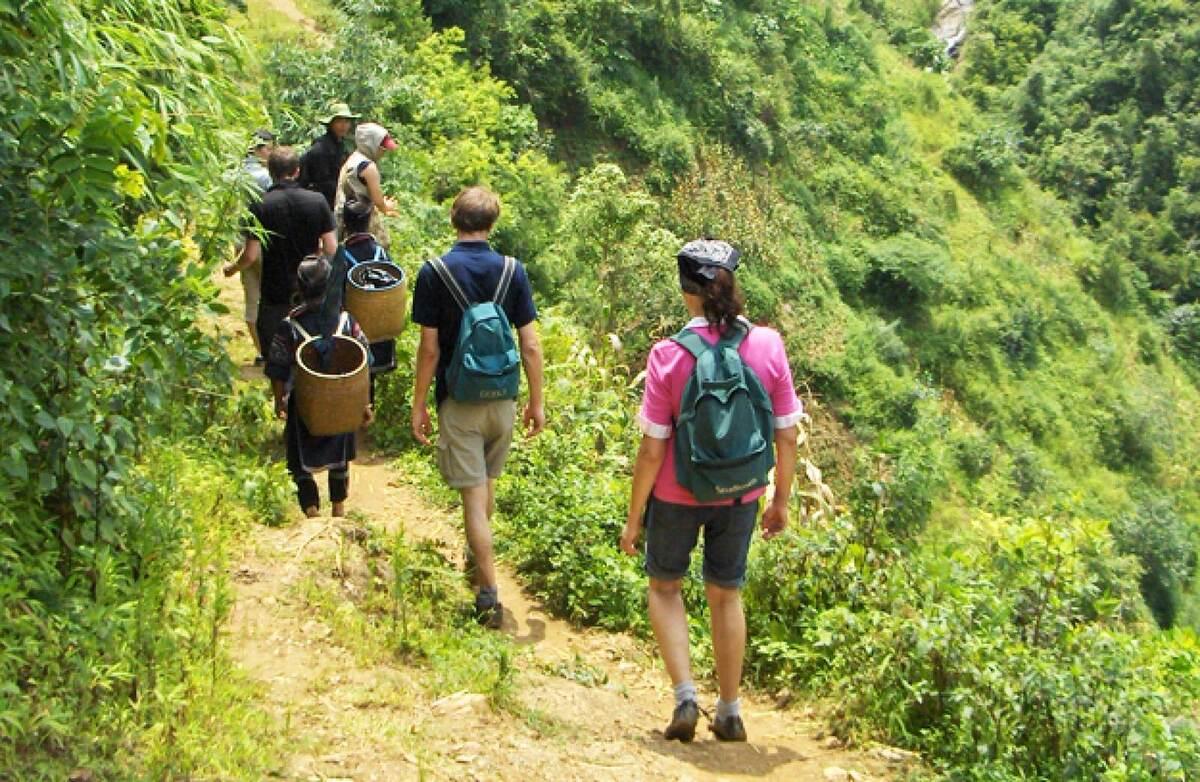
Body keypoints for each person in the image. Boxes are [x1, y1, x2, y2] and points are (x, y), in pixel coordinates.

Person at [619, 239, 803, 743]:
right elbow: (786, 433)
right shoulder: (768, 345)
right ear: (732, 286)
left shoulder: (667, 355)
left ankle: (684, 696)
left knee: (665, 587)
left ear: (686, 292)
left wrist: (635, 518)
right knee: (726, 595)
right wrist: (780, 500)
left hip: (679, 495)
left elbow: (652, 450)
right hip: (743, 493)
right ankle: (729, 709)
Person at [410, 186, 545, 629]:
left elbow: (429, 350)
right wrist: (536, 403)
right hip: (502, 399)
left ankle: (488, 594)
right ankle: (477, 561)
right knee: (486, 487)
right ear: (492, 223)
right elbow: (530, 344)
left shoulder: (434, 272)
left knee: (472, 498)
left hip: (459, 399)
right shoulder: (513, 270)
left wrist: (419, 405)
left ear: (454, 219)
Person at [264, 255, 373, 517]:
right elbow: (364, 363)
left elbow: (278, 368)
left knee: (298, 461)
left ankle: (311, 510)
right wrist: (364, 403)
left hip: (305, 404)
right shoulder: (346, 322)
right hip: (342, 402)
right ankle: (338, 508)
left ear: (299, 288)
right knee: (341, 454)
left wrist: (280, 401)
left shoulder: (289, 326)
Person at [224, 147, 337, 356]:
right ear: (297, 171)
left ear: (270, 171)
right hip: (309, 288)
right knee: (310, 354)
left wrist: (231, 268)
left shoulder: (259, 206)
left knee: (276, 360)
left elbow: (250, 255)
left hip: (274, 292)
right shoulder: (317, 201)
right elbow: (331, 247)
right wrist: (316, 257)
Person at [338, 201, 397, 398]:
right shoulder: (381, 253)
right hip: (377, 330)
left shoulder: (341, 256)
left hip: (351, 331)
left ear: (345, 223)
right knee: (369, 379)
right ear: (369, 221)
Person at [238, 128, 275, 364]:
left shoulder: (234, 175)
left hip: (241, 240)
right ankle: (274, 350)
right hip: (265, 241)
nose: (271, 153)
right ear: (259, 149)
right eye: (269, 149)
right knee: (271, 298)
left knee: (251, 297)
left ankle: (261, 352)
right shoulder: (265, 177)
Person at [334, 122, 398, 247]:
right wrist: (386, 207)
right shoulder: (368, 167)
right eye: (382, 147)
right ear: (370, 144)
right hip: (362, 220)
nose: (384, 152)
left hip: (346, 217)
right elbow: (378, 200)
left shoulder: (352, 158)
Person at [299, 102, 359, 209]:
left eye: (346, 121)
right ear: (331, 124)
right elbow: (323, 183)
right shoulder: (320, 149)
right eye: (339, 121)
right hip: (321, 203)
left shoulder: (342, 145)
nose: (343, 125)